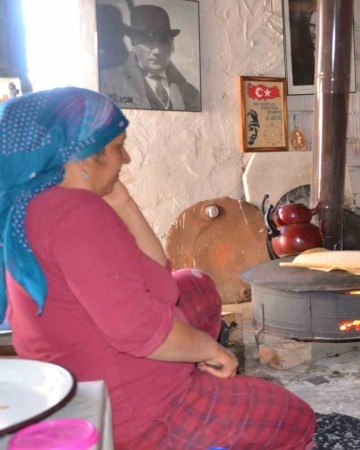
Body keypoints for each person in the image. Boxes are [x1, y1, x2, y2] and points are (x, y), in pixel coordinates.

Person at [0, 87, 315, 449]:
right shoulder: (76, 215)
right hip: (129, 409)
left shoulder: (35, 199)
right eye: (118, 146)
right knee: (295, 418)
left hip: (76, 367)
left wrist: (124, 202)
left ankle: (191, 370)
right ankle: (190, 404)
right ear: (85, 156)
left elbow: (158, 274)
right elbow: (138, 332)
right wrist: (210, 351)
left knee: (195, 284)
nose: (126, 157)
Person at [99, 4, 201, 112]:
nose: (157, 51)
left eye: (163, 41)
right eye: (148, 42)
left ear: (172, 45)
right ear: (134, 43)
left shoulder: (192, 94)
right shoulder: (107, 83)